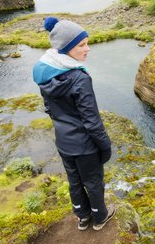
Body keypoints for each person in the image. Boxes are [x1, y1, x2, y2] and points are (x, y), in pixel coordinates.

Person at [33, 17, 115, 231]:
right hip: (85, 146)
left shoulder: (45, 72)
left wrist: (63, 126)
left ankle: (82, 217)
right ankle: (100, 218)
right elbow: (92, 122)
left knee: (75, 181)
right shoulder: (79, 79)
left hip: (64, 143)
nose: (87, 49)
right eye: (81, 45)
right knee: (93, 182)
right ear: (66, 48)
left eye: (87, 43)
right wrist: (105, 147)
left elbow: (50, 108)